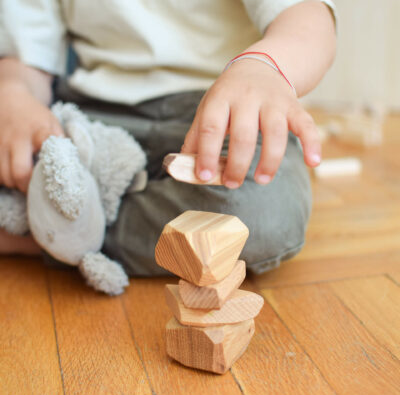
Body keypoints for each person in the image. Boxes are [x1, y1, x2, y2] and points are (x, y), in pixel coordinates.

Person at [0, 0, 336, 276]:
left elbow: (307, 21)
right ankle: (59, 221)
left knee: (264, 215)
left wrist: (265, 66)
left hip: (218, 110)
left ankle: (46, 229)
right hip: (90, 116)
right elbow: (27, 58)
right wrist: (15, 92)